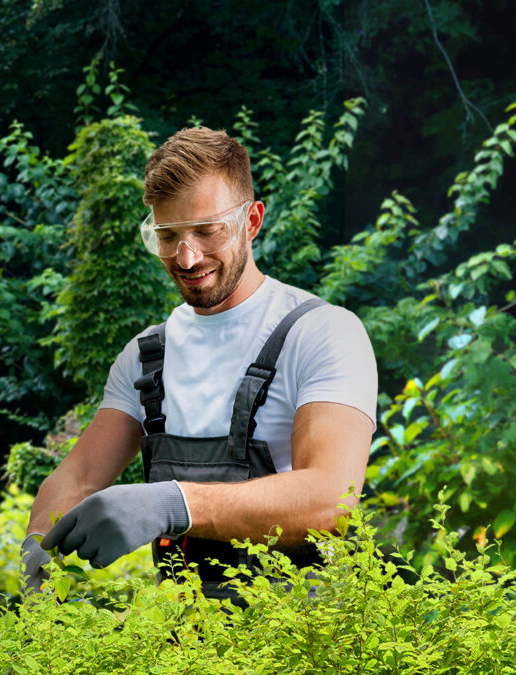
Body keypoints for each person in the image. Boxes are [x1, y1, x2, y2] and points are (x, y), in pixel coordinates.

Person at [21, 127, 377, 602]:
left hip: (304, 639)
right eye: (168, 236)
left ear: (251, 221)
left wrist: (172, 503)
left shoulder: (322, 333)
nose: (187, 257)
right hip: (183, 644)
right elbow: (79, 476)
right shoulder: (146, 357)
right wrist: (37, 555)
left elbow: (331, 499)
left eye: (208, 231)